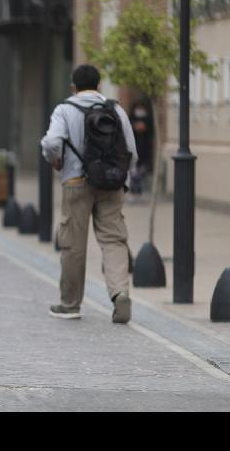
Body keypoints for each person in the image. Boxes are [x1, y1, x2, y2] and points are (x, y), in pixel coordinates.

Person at [40, 64, 138, 324]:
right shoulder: (115, 108)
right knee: (114, 240)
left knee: (73, 244)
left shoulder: (65, 109)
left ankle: (70, 304)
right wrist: (124, 180)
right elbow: (131, 149)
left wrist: (56, 160)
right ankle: (119, 293)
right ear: (99, 85)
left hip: (76, 181)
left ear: (73, 86)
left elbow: (51, 142)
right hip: (111, 184)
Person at [129, 97, 154, 198]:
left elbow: (151, 131)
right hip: (134, 150)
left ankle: (139, 190)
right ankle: (134, 190)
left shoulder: (148, 120)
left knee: (141, 171)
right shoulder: (131, 119)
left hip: (144, 150)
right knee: (134, 172)